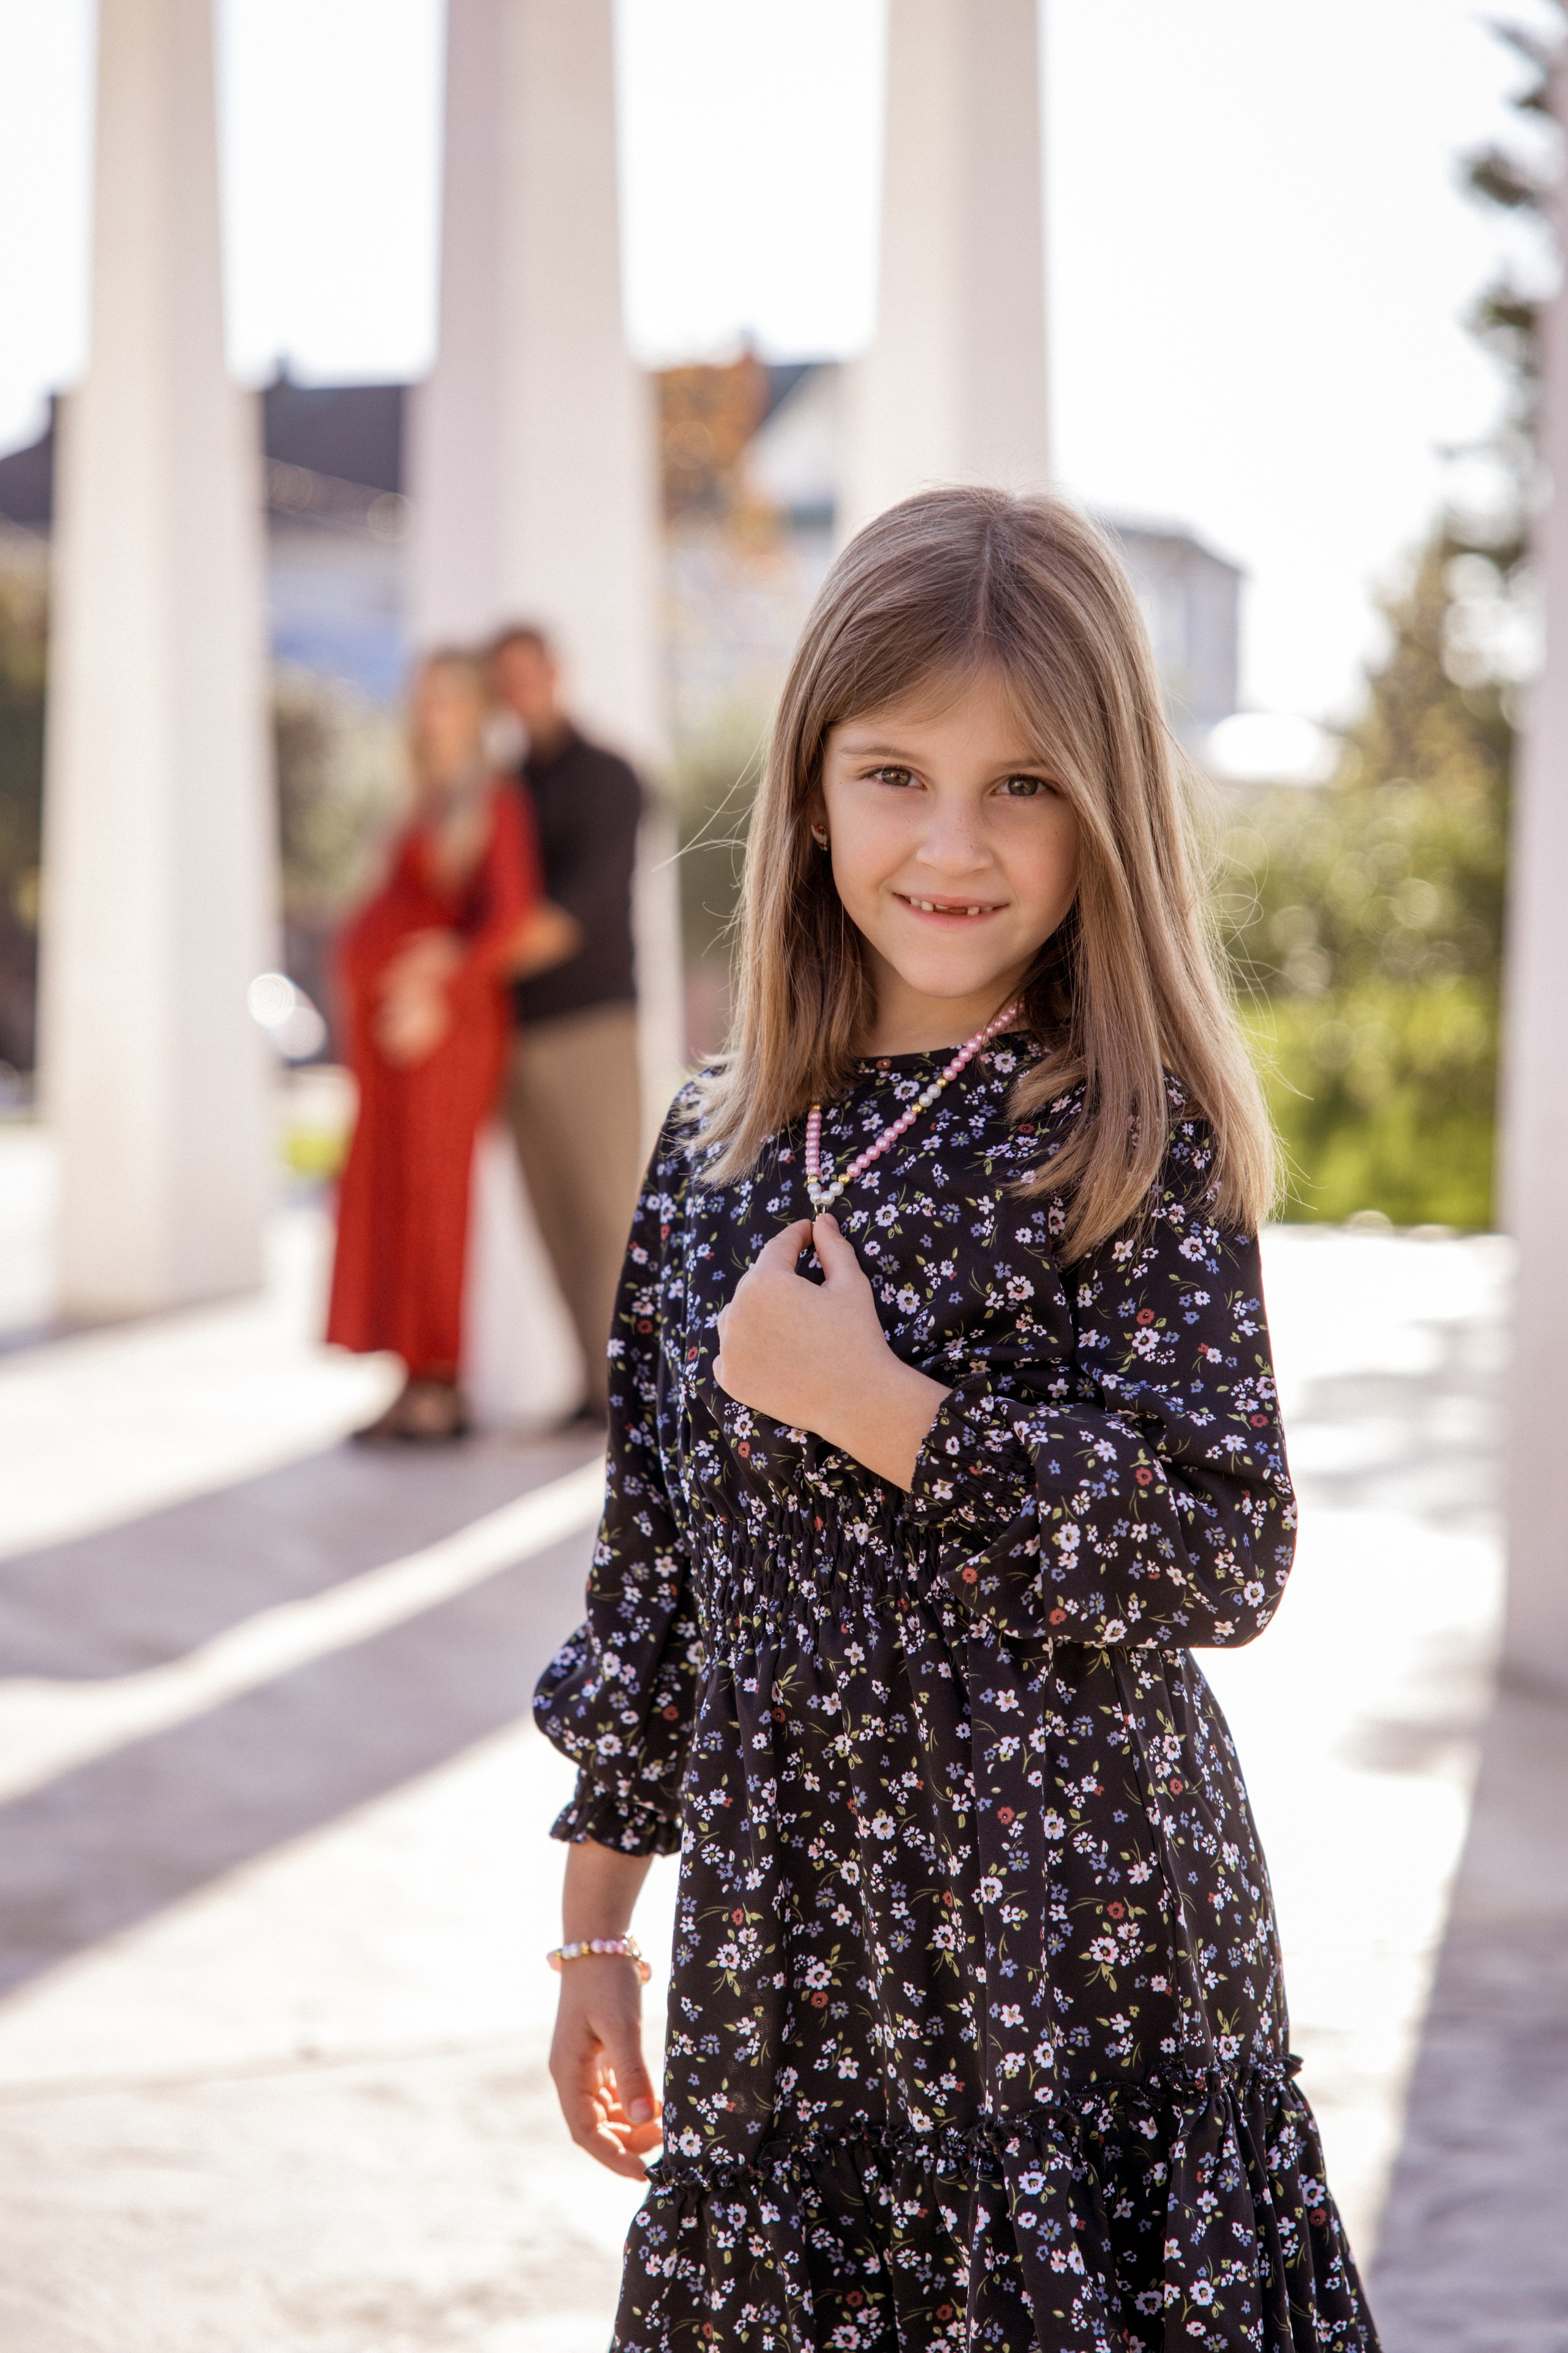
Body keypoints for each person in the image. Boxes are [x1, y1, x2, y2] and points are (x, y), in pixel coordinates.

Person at [532, 489, 1381, 2351]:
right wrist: (598, 1930)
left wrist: (890, 1412)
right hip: (793, 1967)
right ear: (815, 786)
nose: (951, 844)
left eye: (1024, 786)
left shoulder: (1123, 1130)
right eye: (897, 771)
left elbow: (1226, 1544)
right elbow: (654, 1574)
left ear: (1108, 810)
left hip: (1078, 1965)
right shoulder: (713, 1142)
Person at [326, 650, 568, 1442]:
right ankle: (406, 1373)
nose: (433, 716)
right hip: (391, 1040)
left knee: (436, 1201)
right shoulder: (418, 798)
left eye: (449, 703)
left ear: (476, 712)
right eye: (424, 700)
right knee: (391, 1199)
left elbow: (507, 919)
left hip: (445, 1034)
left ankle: (444, 1384)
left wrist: (440, 990)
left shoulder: (491, 801)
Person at [489, 624, 646, 1424]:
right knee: (550, 1217)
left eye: (528, 673)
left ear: (555, 672)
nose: (519, 690)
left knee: (608, 1212)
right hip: (518, 1031)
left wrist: (459, 962)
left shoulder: (613, 778)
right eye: (503, 679)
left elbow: (570, 916)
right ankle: (593, 1390)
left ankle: (634, 1396)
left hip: (592, 1024)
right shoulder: (503, 789)